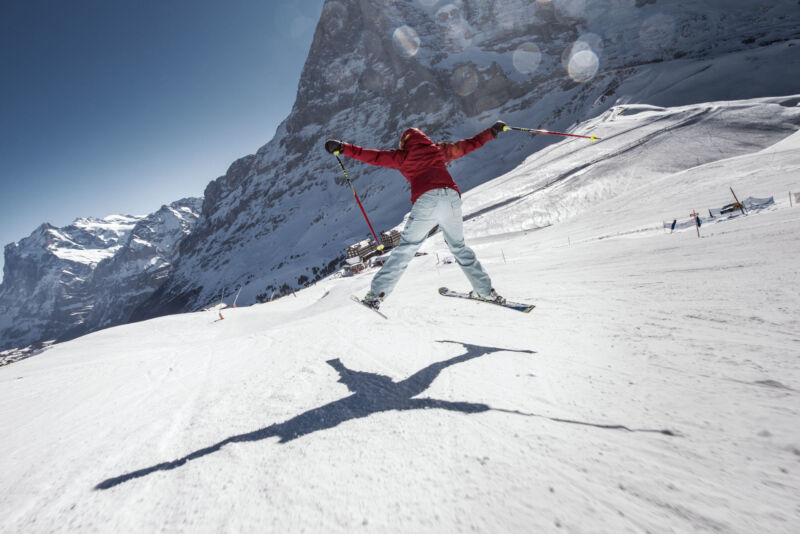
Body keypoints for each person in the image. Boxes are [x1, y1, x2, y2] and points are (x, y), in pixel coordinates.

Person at [325, 121, 507, 310]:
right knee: (459, 247)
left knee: (406, 249)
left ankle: (376, 295)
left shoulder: (402, 157)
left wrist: (343, 148)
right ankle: (485, 291)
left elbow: (373, 156)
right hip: (451, 198)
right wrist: (492, 131)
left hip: (427, 200)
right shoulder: (438, 150)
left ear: (404, 144)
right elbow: (470, 144)